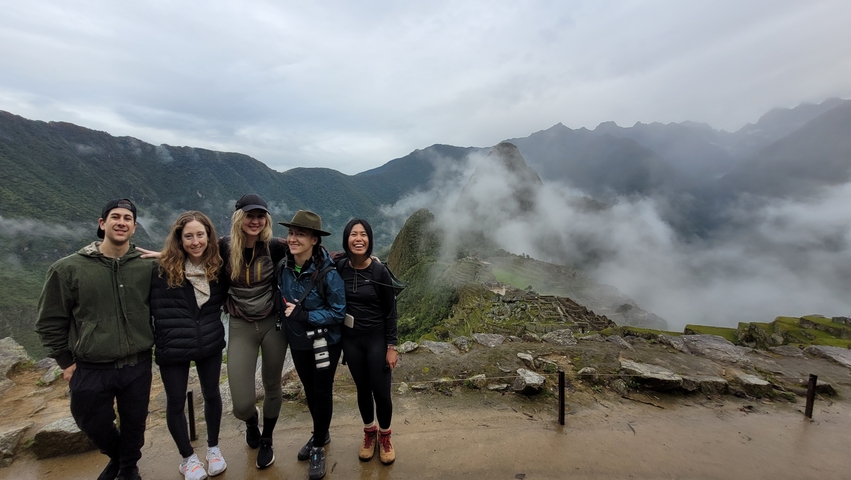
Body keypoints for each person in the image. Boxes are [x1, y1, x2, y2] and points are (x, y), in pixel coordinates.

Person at [36, 198, 153, 480]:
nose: (121, 222)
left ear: (134, 227)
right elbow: (50, 320)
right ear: (102, 224)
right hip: (91, 364)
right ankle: (119, 458)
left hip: (136, 362)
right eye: (115, 217)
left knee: (134, 423)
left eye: (127, 218)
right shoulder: (69, 269)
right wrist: (65, 361)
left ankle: (127, 468)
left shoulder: (146, 265)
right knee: (91, 421)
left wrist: (166, 256)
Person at [150, 211, 228, 480]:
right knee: (175, 402)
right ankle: (188, 458)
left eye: (200, 235)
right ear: (179, 239)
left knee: (212, 395)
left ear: (209, 237)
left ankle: (214, 449)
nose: (195, 241)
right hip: (173, 346)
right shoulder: (160, 270)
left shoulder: (217, 268)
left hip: (209, 343)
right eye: (188, 236)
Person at [219, 194, 289, 469]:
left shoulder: (274, 247)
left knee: (272, 384)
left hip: (273, 323)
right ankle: (251, 419)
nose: (255, 221)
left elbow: (311, 251)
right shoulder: (223, 248)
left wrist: (358, 257)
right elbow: (192, 253)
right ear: (239, 217)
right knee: (241, 404)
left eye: (260, 216)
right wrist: (164, 257)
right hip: (240, 325)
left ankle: (267, 439)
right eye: (250, 215)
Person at [278, 210, 346, 480]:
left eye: (300, 234)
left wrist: (306, 316)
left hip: (325, 342)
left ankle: (318, 445)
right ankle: (321, 432)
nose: (293, 239)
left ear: (314, 240)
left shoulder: (327, 273)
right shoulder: (283, 266)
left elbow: (338, 311)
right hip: (298, 341)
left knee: (322, 391)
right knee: (309, 390)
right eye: (291, 233)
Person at [336, 219, 399, 465]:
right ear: (347, 239)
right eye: (353, 234)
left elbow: (390, 311)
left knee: (381, 394)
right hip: (351, 341)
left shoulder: (379, 271)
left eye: (363, 234)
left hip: (376, 339)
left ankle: (385, 436)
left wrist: (391, 347)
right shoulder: (340, 267)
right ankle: (369, 432)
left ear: (370, 239)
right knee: (362, 391)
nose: (359, 238)